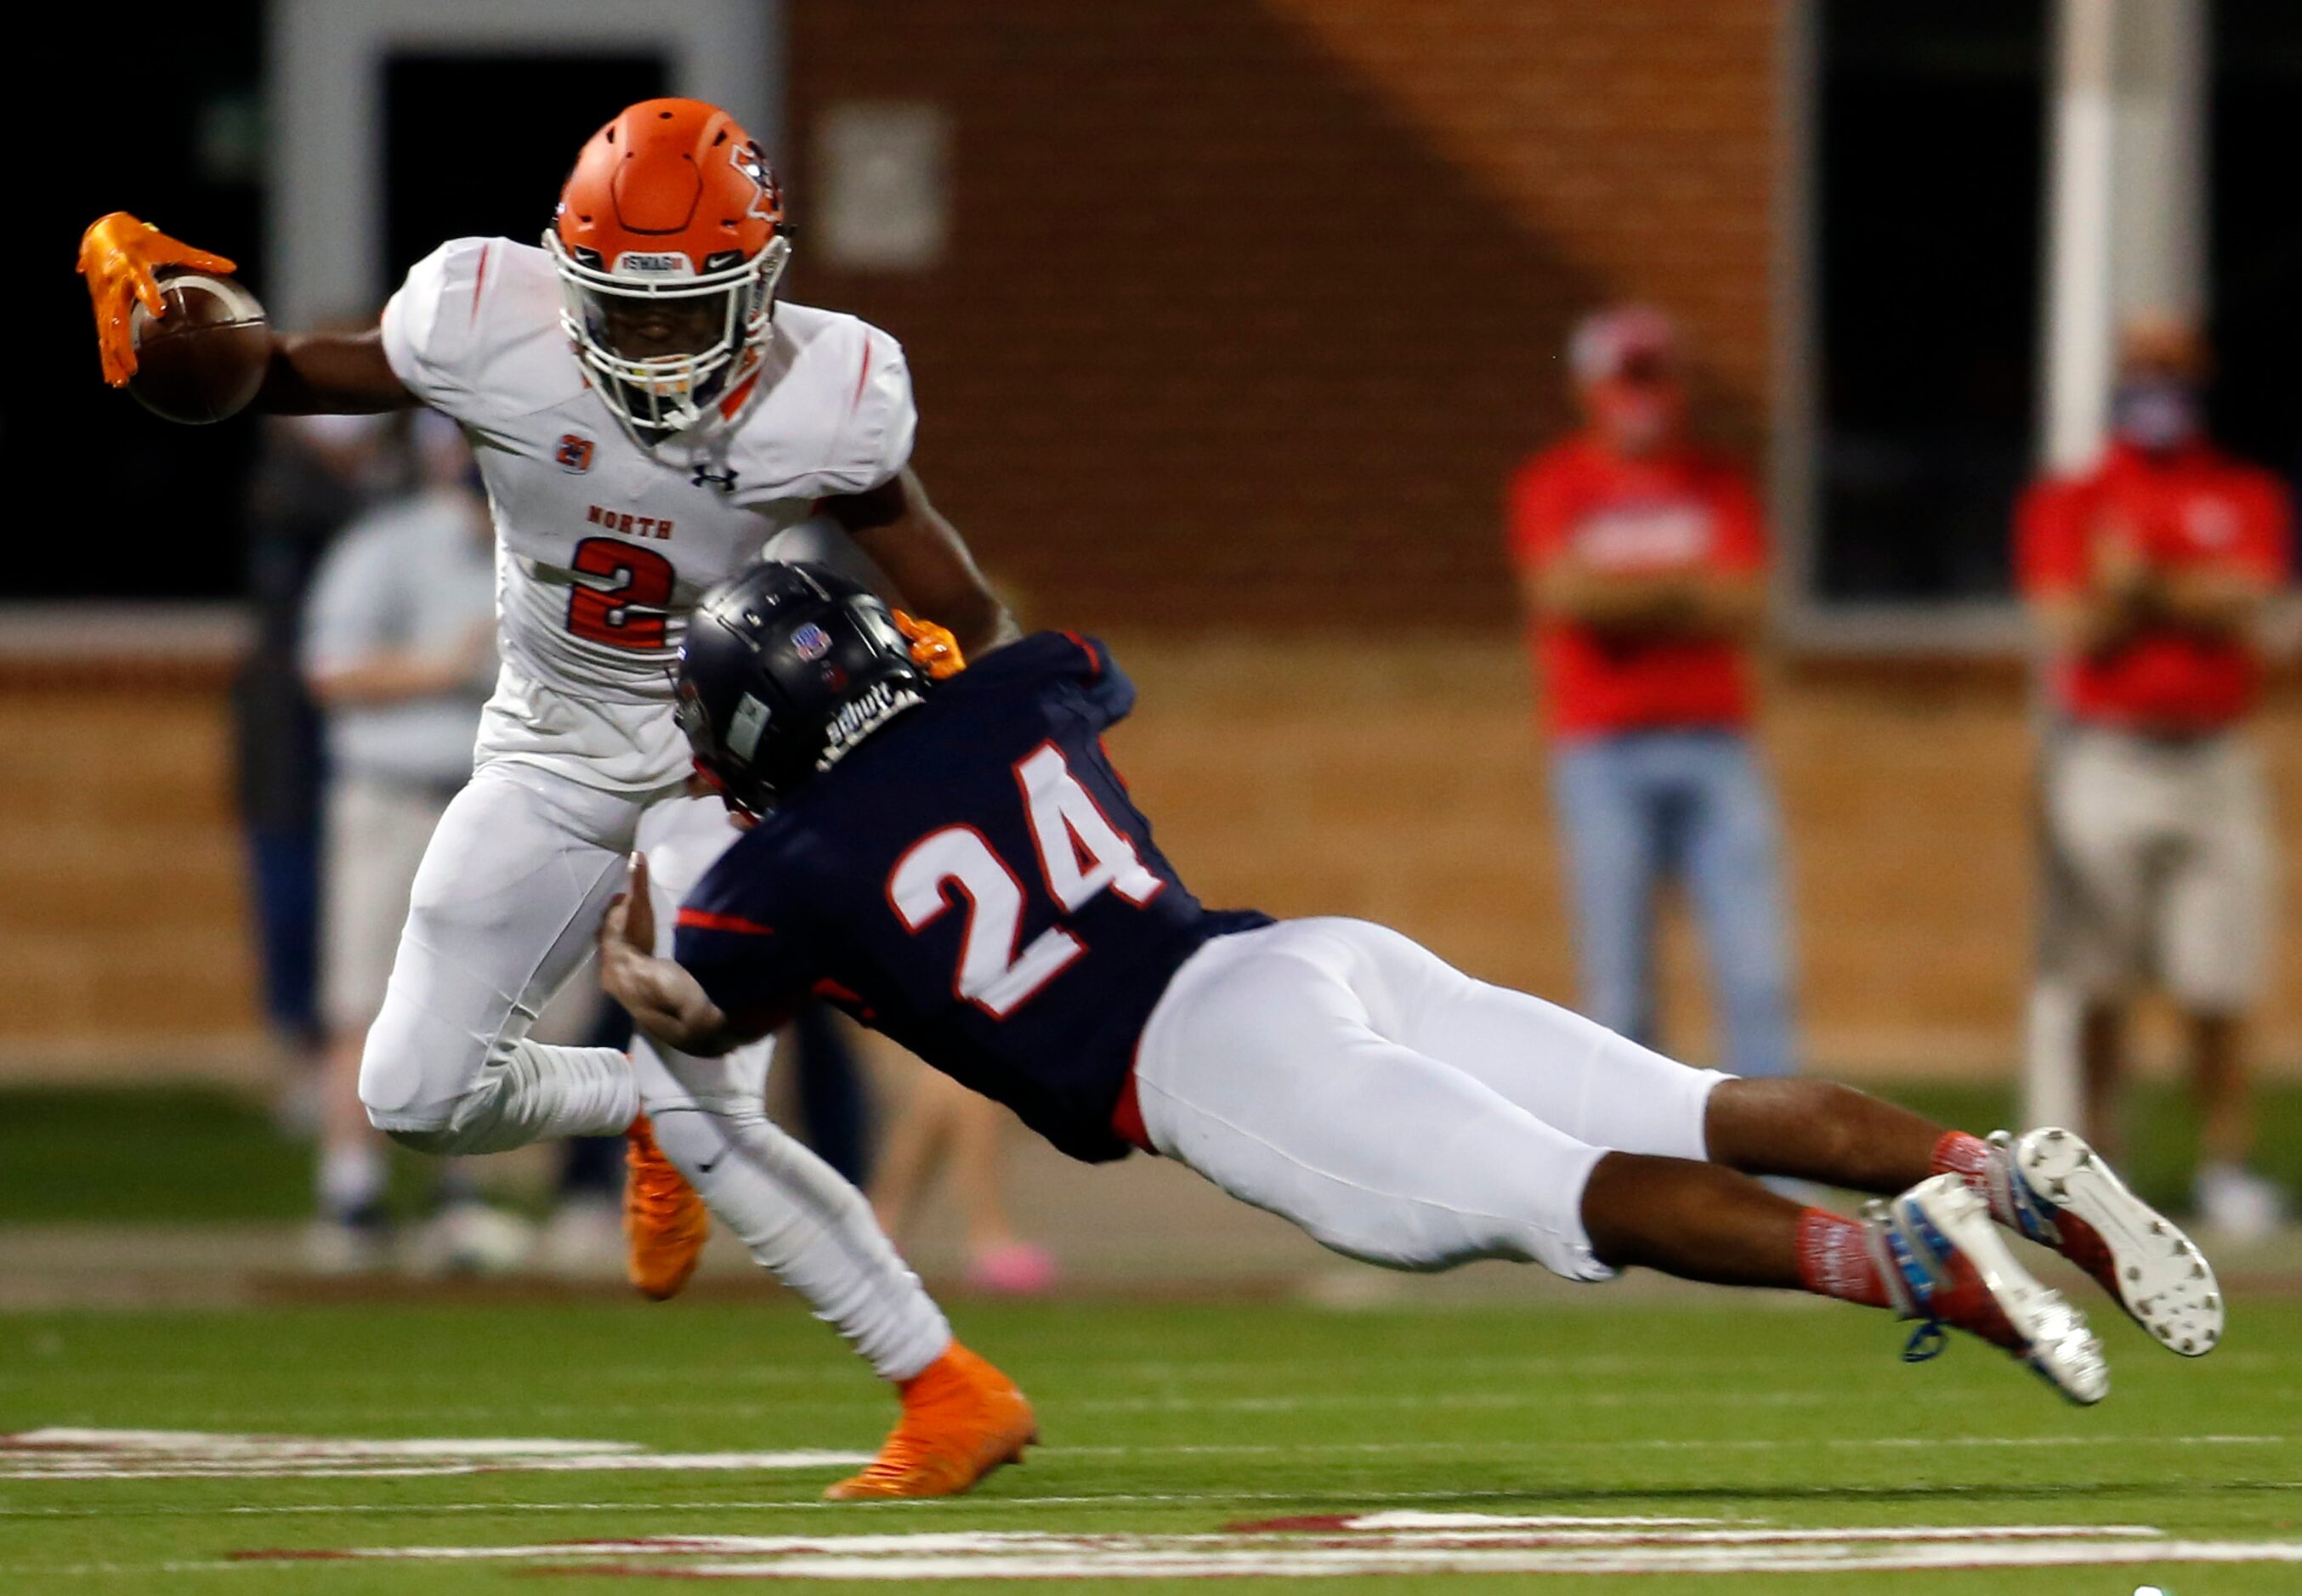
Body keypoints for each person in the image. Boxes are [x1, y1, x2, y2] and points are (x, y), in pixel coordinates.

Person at [603, 563, 2231, 1418]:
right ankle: (1989, 1170)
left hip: (1202, 1059)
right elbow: (1015, 633)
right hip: (1304, 953)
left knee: (1560, 1195)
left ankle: (1903, 1264)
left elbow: (712, 1018)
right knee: (1694, 1100)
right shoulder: (1014, 692)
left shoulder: (779, 867)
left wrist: (634, 972)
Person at [78, 97, 1031, 1500]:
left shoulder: (830, 390)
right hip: (542, 744)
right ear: (559, 277)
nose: (648, 342)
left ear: (760, 285)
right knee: (411, 1091)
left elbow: (950, 592)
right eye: (619, 310)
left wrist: (956, 693)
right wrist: (172, 340)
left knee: (722, 1111)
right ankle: (643, 1100)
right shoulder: (484, 316)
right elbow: (276, 374)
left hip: (724, 761)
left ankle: (944, 1387)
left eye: (683, 312)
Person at [2016, 314, 2292, 1239]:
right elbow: (2069, 626)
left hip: (2212, 754)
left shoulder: (2240, 488)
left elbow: (2244, 602)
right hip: (2107, 756)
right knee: (2094, 978)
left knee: (2218, 982)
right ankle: (2103, 1161)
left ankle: (2225, 1168)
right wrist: (2171, 593)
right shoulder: (2074, 495)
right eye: (2141, 366)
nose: (2156, 382)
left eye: (2170, 367)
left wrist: (2140, 584)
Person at [1505, 306, 1795, 1082]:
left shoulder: (1716, 480)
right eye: (1627, 378)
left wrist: (1624, 594)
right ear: (1588, 386)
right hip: (1601, 747)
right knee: (1620, 989)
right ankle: (1645, 1177)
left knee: (1757, 980)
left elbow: (1747, 601)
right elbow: (1562, 596)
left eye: (1656, 375)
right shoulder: (1556, 482)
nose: (1645, 395)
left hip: (1716, 742)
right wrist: (1686, 593)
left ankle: (1781, 1186)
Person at [301, 413, 530, 1273]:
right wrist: (439, 669)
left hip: (483, 806)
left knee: (472, 1009)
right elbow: (327, 670)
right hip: (391, 795)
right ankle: (350, 1191)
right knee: (362, 999)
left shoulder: (535, 554)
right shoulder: (389, 546)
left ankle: (457, 1196)